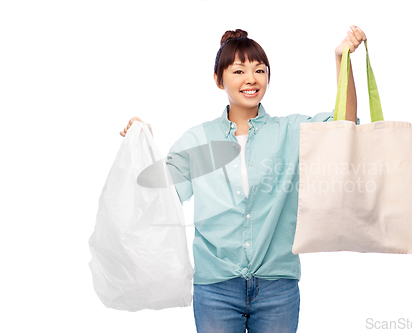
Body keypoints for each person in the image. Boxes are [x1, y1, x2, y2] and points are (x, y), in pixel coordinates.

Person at [119, 26, 366, 333]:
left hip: (277, 287)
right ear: (219, 79)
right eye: (239, 71)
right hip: (216, 288)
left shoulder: (290, 131)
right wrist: (144, 144)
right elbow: (160, 196)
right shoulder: (198, 140)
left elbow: (344, 125)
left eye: (259, 70)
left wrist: (342, 59)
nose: (251, 79)